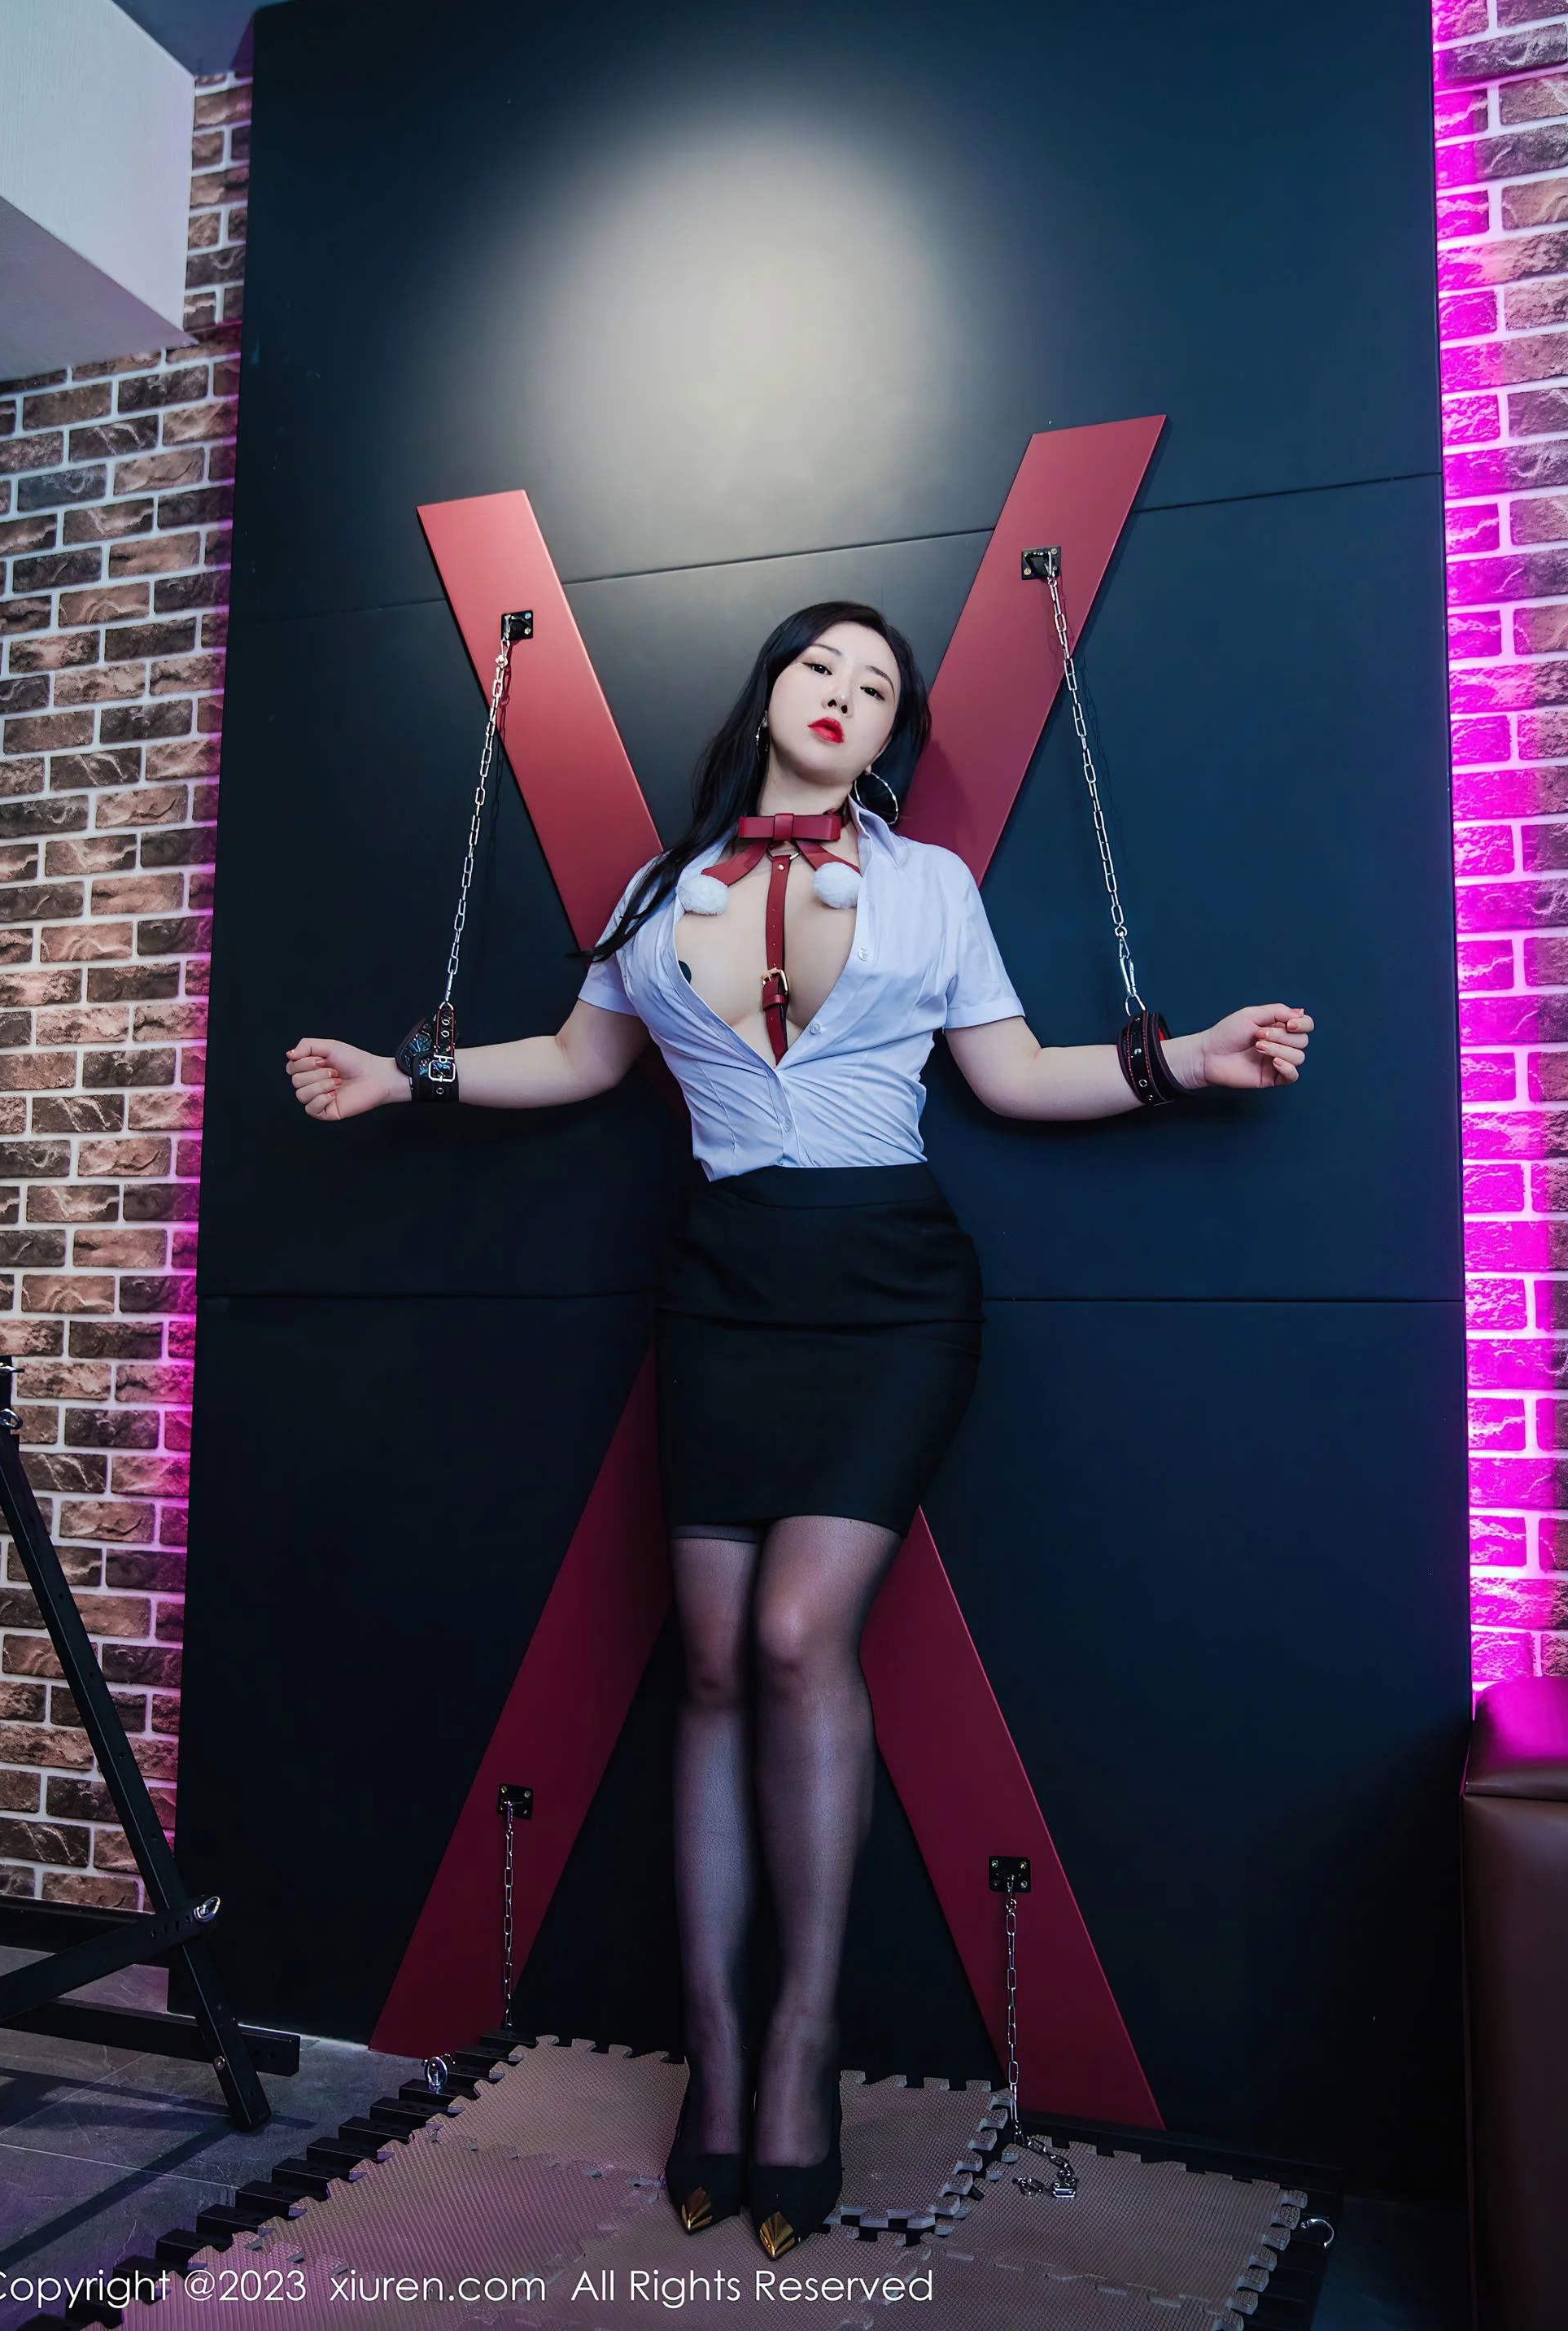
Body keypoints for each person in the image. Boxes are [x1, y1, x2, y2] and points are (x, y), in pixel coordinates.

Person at [286, 600, 1313, 2259]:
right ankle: (716, 2052)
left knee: (788, 1636)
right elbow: (578, 1058)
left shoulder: (929, 886)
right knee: (705, 1663)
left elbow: (1012, 1077)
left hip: (890, 1283)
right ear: (767, 690)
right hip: (721, 1282)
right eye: (820, 667)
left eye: (876, 685)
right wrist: (405, 1080)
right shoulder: (654, 892)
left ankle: (802, 2048)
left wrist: (1185, 1058)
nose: (843, 694)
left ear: (893, 733)